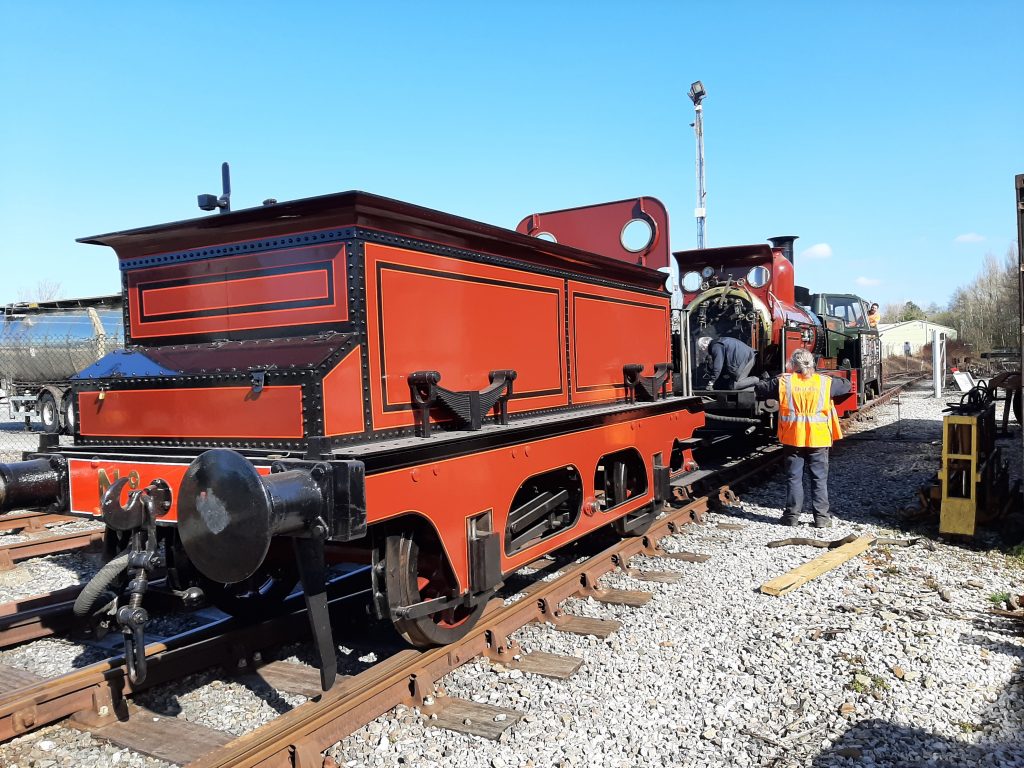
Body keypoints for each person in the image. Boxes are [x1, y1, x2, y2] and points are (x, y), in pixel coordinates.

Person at [755, 348, 852, 527]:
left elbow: (760, 388)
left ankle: (791, 517)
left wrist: (772, 377)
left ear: (793, 365)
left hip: (794, 437)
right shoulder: (824, 382)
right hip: (818, 438)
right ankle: (822, 518)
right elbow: (847, 384)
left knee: (794, 477)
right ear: (812, 364)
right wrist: (823, 374)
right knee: (819, 478)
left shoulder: (784, 382)